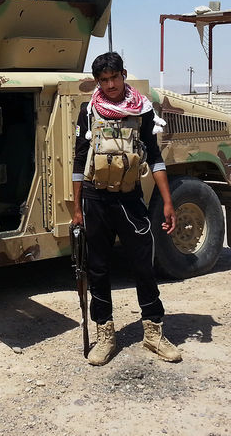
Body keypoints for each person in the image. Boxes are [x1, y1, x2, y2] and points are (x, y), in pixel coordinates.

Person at [72, 52, 182, 366]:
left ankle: (153, 332)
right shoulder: (88, 111)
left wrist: (168, 202)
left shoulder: (143, 110)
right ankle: (105, 334)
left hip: (129, 199)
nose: (110, 85)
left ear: (123, 74)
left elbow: (155, 158)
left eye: (114, 78)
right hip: (95, 199)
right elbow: (79, 161)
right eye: (103, 80)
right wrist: (76, 208)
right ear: (98, 81)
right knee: (97, 267)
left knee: (143, 265)